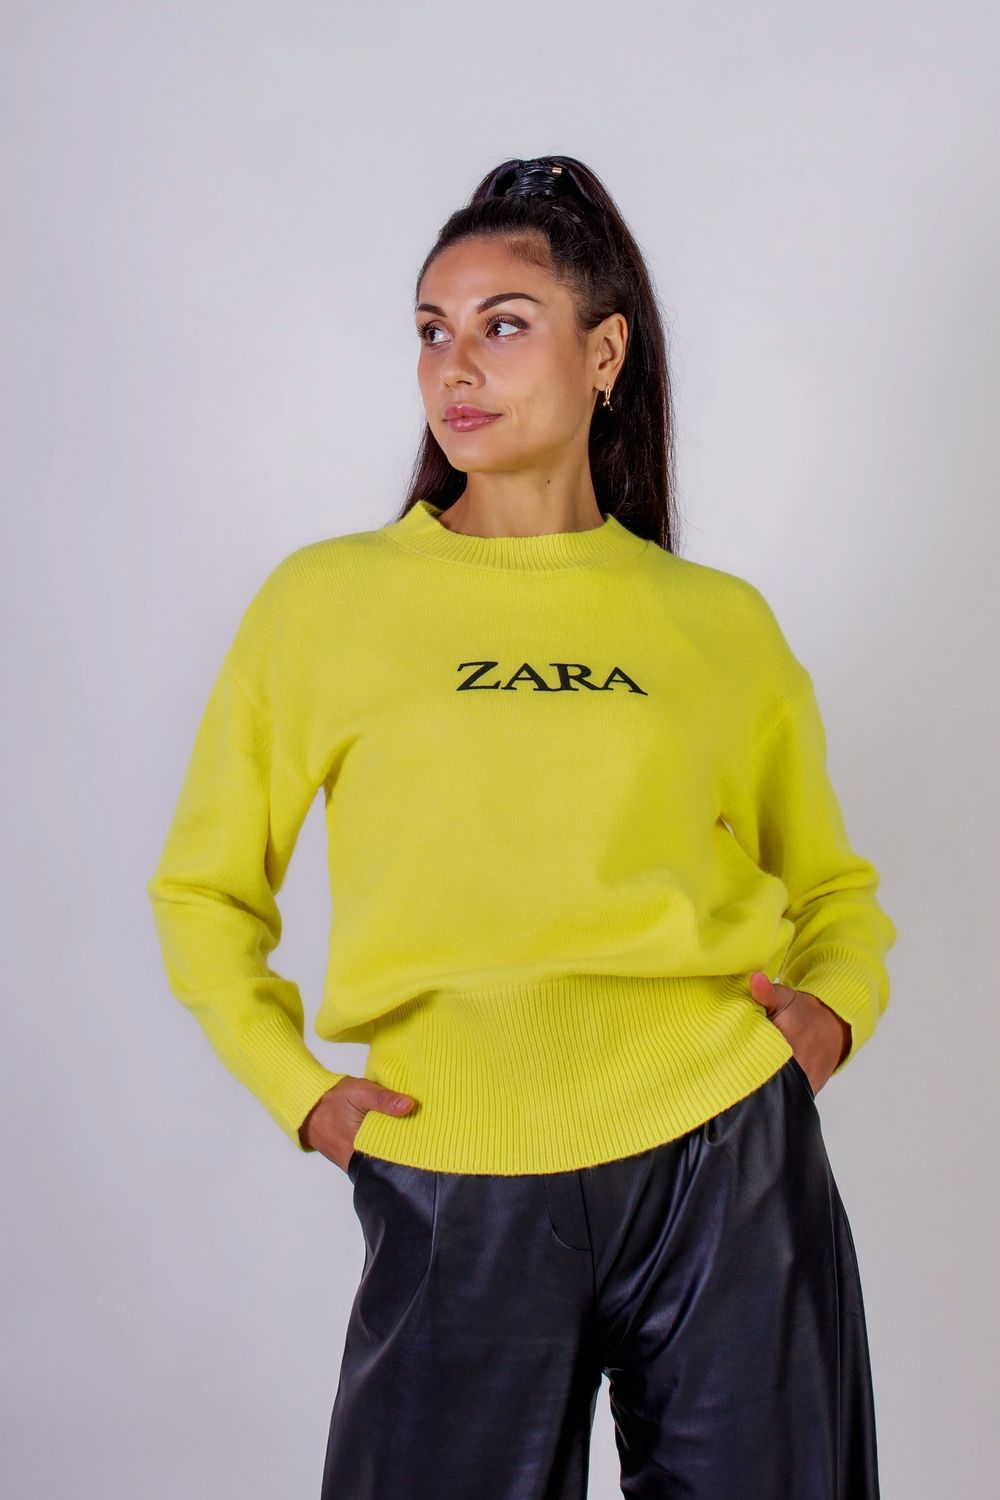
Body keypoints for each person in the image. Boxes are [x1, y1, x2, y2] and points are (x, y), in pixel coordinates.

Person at [147, 154, 896, 1499]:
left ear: (604, 353)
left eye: (503, 325)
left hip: (724, 1158)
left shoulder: (717, 622)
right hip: (453, 1161)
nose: (456, 366)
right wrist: (301, 1094)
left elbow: (831, 884)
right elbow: (204, 892)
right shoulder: (324, 604)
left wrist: (831, 1014)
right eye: (432, 330)